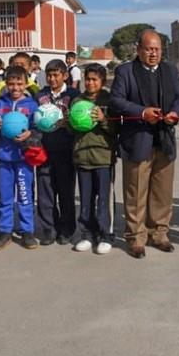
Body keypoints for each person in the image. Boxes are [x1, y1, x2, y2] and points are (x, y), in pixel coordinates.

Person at [109, 30, 179, 259]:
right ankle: (136, 237)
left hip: (164, 139)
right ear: (139, 49)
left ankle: (159, 233)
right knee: (136, 192)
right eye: (149, 49)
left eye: (157, 49)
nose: (153, 54)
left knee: (162, 191)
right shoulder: (125, 71)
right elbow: (116, 100)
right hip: (137, 139)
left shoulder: (170, 70)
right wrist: (142, 112)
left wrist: (175, 113)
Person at [0, 66, 40, 250]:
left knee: (25, 195)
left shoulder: (32, 105)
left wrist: (30, 134)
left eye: (19, 83)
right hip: (4, 157)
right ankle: (5, 231)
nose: (15, 87)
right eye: (11, 83)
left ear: (26, 83)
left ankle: (27, 231)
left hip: (24, 158)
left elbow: (39, 128)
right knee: (5, 195)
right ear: (5, 84)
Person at [72, 64, 118, 254]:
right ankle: (87, 234)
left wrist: (104, 119)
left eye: (94, 79)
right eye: (87, 79)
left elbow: (117, 130)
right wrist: (69, 122)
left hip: (103, 157)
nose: (90, 83)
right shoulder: (76, 101)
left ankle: (106, 235)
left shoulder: (110, 101)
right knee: (85, 199)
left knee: (104, 200)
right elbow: (71, 131)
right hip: (82, 156)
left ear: (103, 81)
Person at [36, 60, 79, 247]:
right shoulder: (40, 95)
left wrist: (67, 123)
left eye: (56, 75)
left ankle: (66, 229)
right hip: (44, 151)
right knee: (45, 193)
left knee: (66, 192)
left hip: (66, 151)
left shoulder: (74, 95)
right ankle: (49, 229)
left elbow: (80, 121)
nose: (52, 79)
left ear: (65, 76)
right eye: (49, 75)